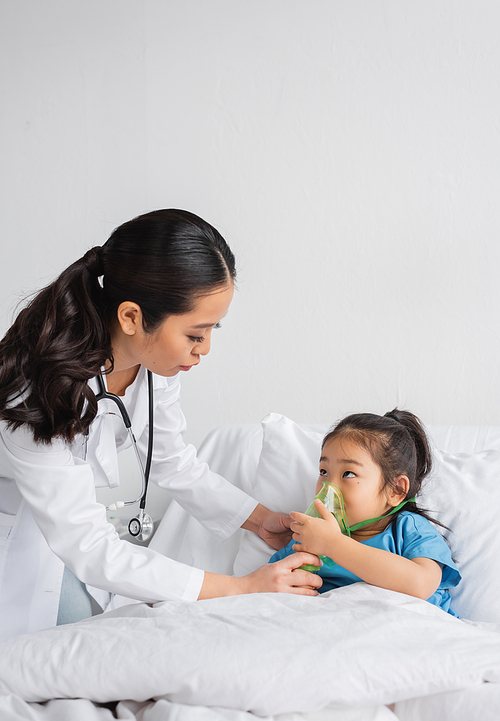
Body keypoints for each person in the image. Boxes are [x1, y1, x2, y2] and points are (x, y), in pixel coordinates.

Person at [0, 208, 321, 639]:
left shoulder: (152, 367)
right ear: (132, 317)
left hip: (77, 542)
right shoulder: (35, 389)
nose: (204, 349)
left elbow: (172, 462)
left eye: (212, 330)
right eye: (195, 333)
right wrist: (241, 588)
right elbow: (88, 547)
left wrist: (259, 519)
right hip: (22, 546)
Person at [270, 409, 461, 615]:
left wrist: (334, 544)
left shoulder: (408, 529)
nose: (329, 487)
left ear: (395, 491)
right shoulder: (309, 539)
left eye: (348, 473)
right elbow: (272, 584)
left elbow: (421, 584)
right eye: (323, 472)